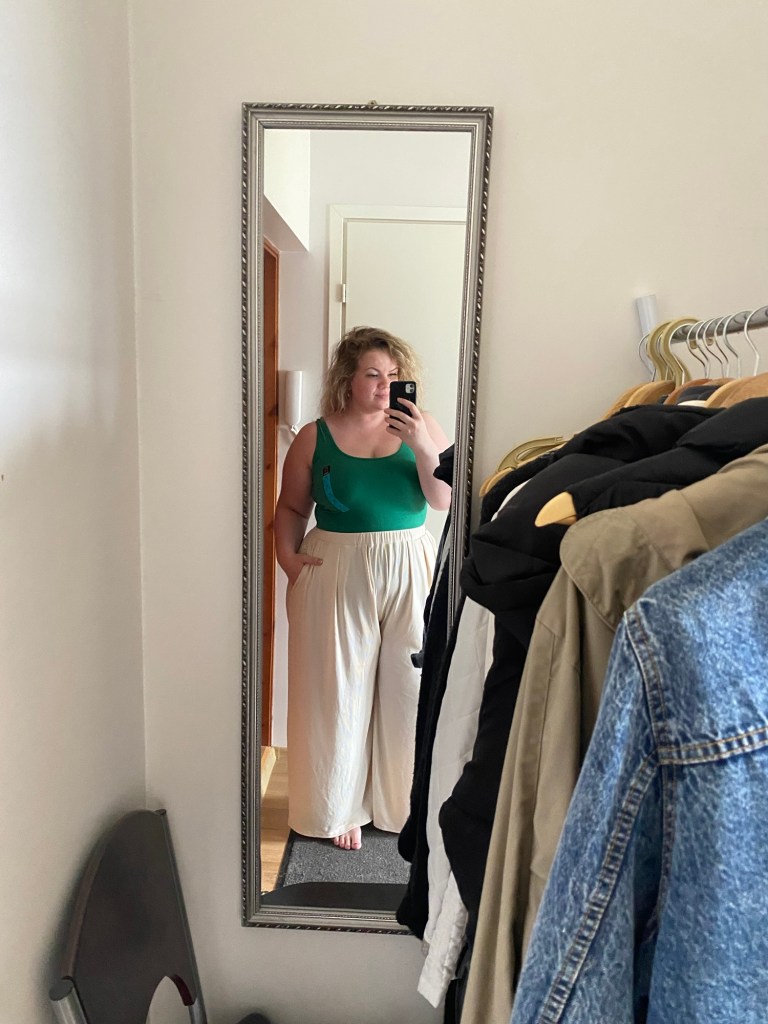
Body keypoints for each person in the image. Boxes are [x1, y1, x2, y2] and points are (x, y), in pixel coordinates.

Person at [275, 326, 451, 851]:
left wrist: (421, 444)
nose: (384, 384)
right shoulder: (315, 436)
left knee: (408, 688)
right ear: (347, 380)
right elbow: (291, 507)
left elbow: (443, 500)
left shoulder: (424, 427)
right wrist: (288, 560)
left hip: (410, 564)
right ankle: (339, 807)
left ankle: (402, 807)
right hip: (335, 567)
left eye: (393, 375)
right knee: (336, 691)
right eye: (372, 374)